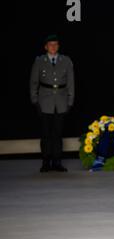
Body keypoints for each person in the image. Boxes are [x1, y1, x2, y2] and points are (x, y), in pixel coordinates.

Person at [30, 34, 75, 173]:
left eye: (56, 44)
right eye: (50, 44)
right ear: (45, 47)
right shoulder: (39, 61)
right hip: (45, 101)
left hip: (61, 101)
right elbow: (34, 82)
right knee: (45, 134)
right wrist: (35, 100)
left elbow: (71, 82)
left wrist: (70, 100)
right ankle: (45, 161)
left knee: (57, 133)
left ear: (58, 46)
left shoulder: (66, 60)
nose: (53, 47)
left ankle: (57, 162)